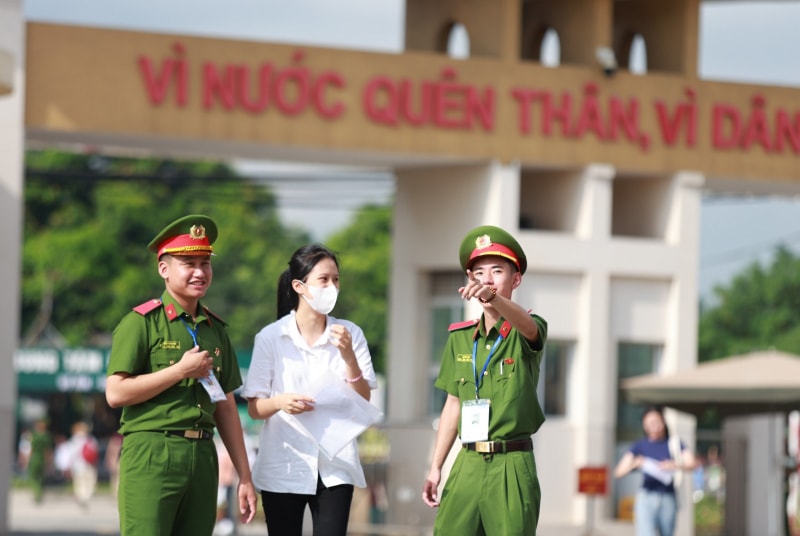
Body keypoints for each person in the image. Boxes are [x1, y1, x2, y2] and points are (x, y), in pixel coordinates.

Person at [105, 214, 257, 535]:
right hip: (152, 451)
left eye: (205, 263)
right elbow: (116, 393)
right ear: (164, 269)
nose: (200, 272)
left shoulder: (216, 330)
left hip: (202, 454)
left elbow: (226, 405)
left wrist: (245, 475)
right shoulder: (141, 323)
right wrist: (180, 371)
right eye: (189, 263)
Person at [241, 244, 378, 536]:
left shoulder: (351, 334)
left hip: (335, 464)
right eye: (323, 280)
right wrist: (280, 402)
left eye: (336, 280)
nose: (332, 287)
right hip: (284, 463)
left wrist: (349, 357)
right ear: (299, 286)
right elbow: (254, 408)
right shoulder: (271, 337)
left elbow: (364, 397)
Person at [421, 225, 548, 536]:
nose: (486, 280)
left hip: (511, 463)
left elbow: (528, 326)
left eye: (497, 271)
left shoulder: (527, 329)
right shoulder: (460, 337)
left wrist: (494, 298)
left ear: (515, 279)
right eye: (479, 273)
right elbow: (453, 404)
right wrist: (436, 466)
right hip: (468, 460)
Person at [613, 405, 697, 536]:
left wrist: (675, 465)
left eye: (657, 421)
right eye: (650, 423)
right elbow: (618, 472)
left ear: (663, 422)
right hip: (647, 496)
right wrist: (635, 464)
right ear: (644, 425)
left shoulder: (674, 443)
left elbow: (692, 463)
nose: (655, 426)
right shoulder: (639, 446)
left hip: (668, 496)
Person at [66, 421, 99, 509]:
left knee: (79, 482)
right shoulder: (91, 439)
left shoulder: (74, 440)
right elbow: (95, 452)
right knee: (89, 482)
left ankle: (82, 497)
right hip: (88, 464)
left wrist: (69, 465)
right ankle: (86, 497)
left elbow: (71, 454)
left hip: (78, 465)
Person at [22, 418, 53, 503]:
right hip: (43, 459)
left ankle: (37, 493)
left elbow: (31, 449)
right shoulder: (47, 436)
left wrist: (27, 460)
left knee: (33, 477)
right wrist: (49, 462)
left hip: (35, 458)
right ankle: (40, 492)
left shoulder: (34, 436)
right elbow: (48, 451)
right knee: (41, 477)